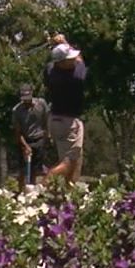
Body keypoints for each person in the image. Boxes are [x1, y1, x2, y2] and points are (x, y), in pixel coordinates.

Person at [42, 34, 87, 184]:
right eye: (69, 58)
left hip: (55, 120)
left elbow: (55, 62)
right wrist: (64, 42)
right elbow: (80, 60)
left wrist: (58, 46)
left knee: (70, 161)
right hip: (69, 123)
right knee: (69, 161)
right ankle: (43, 186)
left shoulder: (50, 70)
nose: (73, 59)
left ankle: (67, 194)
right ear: (61, 62)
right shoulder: (76, 76)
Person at [11, 83, 51, 186]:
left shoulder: (41, 104)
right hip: (25, 140)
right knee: (23, 170)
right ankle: (20, 190)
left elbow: (47, 121)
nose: (26, 101)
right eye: (24, 98)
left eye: (27, 98)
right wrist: (25, 146)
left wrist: (47, 136)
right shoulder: (17, 110)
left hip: (39, 139)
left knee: (36, 170)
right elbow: (18, 132)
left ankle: (34, 189)